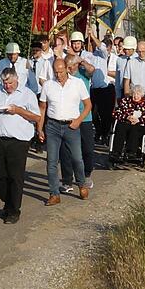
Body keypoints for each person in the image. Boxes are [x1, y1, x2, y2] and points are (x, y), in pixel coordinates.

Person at [0, 68, 40, 224]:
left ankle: (14, 210)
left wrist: (18, 110)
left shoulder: (27, 94)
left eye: (9, 82)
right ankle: (8, 200)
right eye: (4, 82)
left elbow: (36, 116)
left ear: (16, 80)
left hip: (19, 140)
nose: (7, 85)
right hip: (0, 138)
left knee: (15, 175)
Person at [38, 59, 92, 206]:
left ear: (67, 69)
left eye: (61, 71)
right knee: (52, 161)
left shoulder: (77, 83)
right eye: (56, 72)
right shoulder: (48, 85)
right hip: (53, 126)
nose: (58, 75)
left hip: (71, 125)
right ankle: (54, 193)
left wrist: (79, 120)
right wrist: (39, 127)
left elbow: (88, 105)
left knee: (77, 158)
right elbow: (42, 108)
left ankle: (81, 184)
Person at [60, 54, 97, 190]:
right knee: (65, 150)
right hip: (68, 117)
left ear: (76, 65)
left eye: (70, 67)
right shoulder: (63, 76)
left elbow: (92, 70)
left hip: (85, 117)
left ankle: (86, 174)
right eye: (66, 67)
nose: (68, 70)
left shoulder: (83, 72)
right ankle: (67, 180)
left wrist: (81, 60)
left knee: (87, 148)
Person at [109, 85, 145, 166]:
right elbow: (116, 113)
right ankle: (116, 153)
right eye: (134, 94)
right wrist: (127, 117)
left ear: (142, 95)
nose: (136, 96)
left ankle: (131, 153)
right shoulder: (125, 101)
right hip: (126, 122)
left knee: (135, 129)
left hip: (140, 124)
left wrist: (139, 119)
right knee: (120, 128)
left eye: (138, 94)